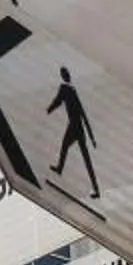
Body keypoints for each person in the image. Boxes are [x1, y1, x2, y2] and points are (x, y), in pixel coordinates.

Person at [47, 65, 99, 196]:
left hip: (73, 126)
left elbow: (58, 101)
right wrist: (91, 137)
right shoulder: (73, 90)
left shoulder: (64, 88)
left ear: (62, 76)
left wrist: (48, 110)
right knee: (84, 157)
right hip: (79, 127)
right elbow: (83, 114)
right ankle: (96, 189)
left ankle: (60, 168)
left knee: (66, 146)